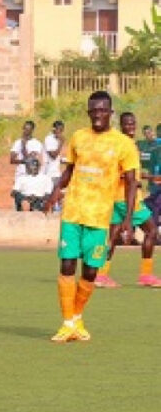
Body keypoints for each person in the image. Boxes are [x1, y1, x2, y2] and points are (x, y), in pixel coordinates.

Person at [43, 91, 140, 342]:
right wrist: (56, 190)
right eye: (93, 110)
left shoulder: (123, 144)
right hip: (73, 212)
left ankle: (76, 317)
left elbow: (131, 183)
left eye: (102, 110)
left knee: (90, 272)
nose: (97, 114)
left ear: (110, 113)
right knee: (67, 265)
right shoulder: (78, 137)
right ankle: (67, 323)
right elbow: (70, 170)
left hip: (99, 217)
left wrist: (128, 219)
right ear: (88, 112)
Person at [94, 112, 161, 288]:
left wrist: (149, 177)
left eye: (133, 123)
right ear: (121, 125)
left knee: (113, 236)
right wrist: (131, 181)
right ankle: (146, 275)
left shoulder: (121, 143)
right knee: (152, 231)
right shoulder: (125, 145)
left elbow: (130, 171)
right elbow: (120, 172)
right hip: (127, 198)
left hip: (115, 197)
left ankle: (101, 275)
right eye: (127, 124)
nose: (131, 127)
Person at [10, 121, 44, 211]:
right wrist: (24, 161)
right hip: (20, 175)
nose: (25, 131)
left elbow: (30, 160)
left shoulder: (36, 143)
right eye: (24, 128)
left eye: (28, 129)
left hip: (31, 177)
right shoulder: (17, 142)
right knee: (18, 199)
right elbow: (12, 160)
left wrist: (24, 146)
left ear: (32, 130)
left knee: (32, 201)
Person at [43, 121, 65, 209]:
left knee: (59, 194)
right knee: (51, 194)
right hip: (49, 173)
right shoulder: (49, 139)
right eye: (59, 130)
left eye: (62, 130)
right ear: (54, 129)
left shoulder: (57, 140)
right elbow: (53, 155)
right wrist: (61, 143)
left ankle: (57, 210)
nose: (60, 133)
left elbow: (57, 157)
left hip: (56, 172)